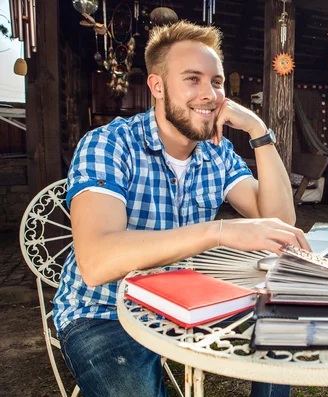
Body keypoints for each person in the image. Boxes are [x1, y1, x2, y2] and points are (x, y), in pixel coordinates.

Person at [53, 20, 309, 397]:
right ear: (157, 86)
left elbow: (279, 219)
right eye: (193, 79)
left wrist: (258, 130)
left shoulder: (216, 151)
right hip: (103, 313)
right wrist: (218, 232)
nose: (210, 94)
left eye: (216, 82)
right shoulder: (109, 144)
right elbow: (96, 262)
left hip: (185, 300)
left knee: (284, 327)